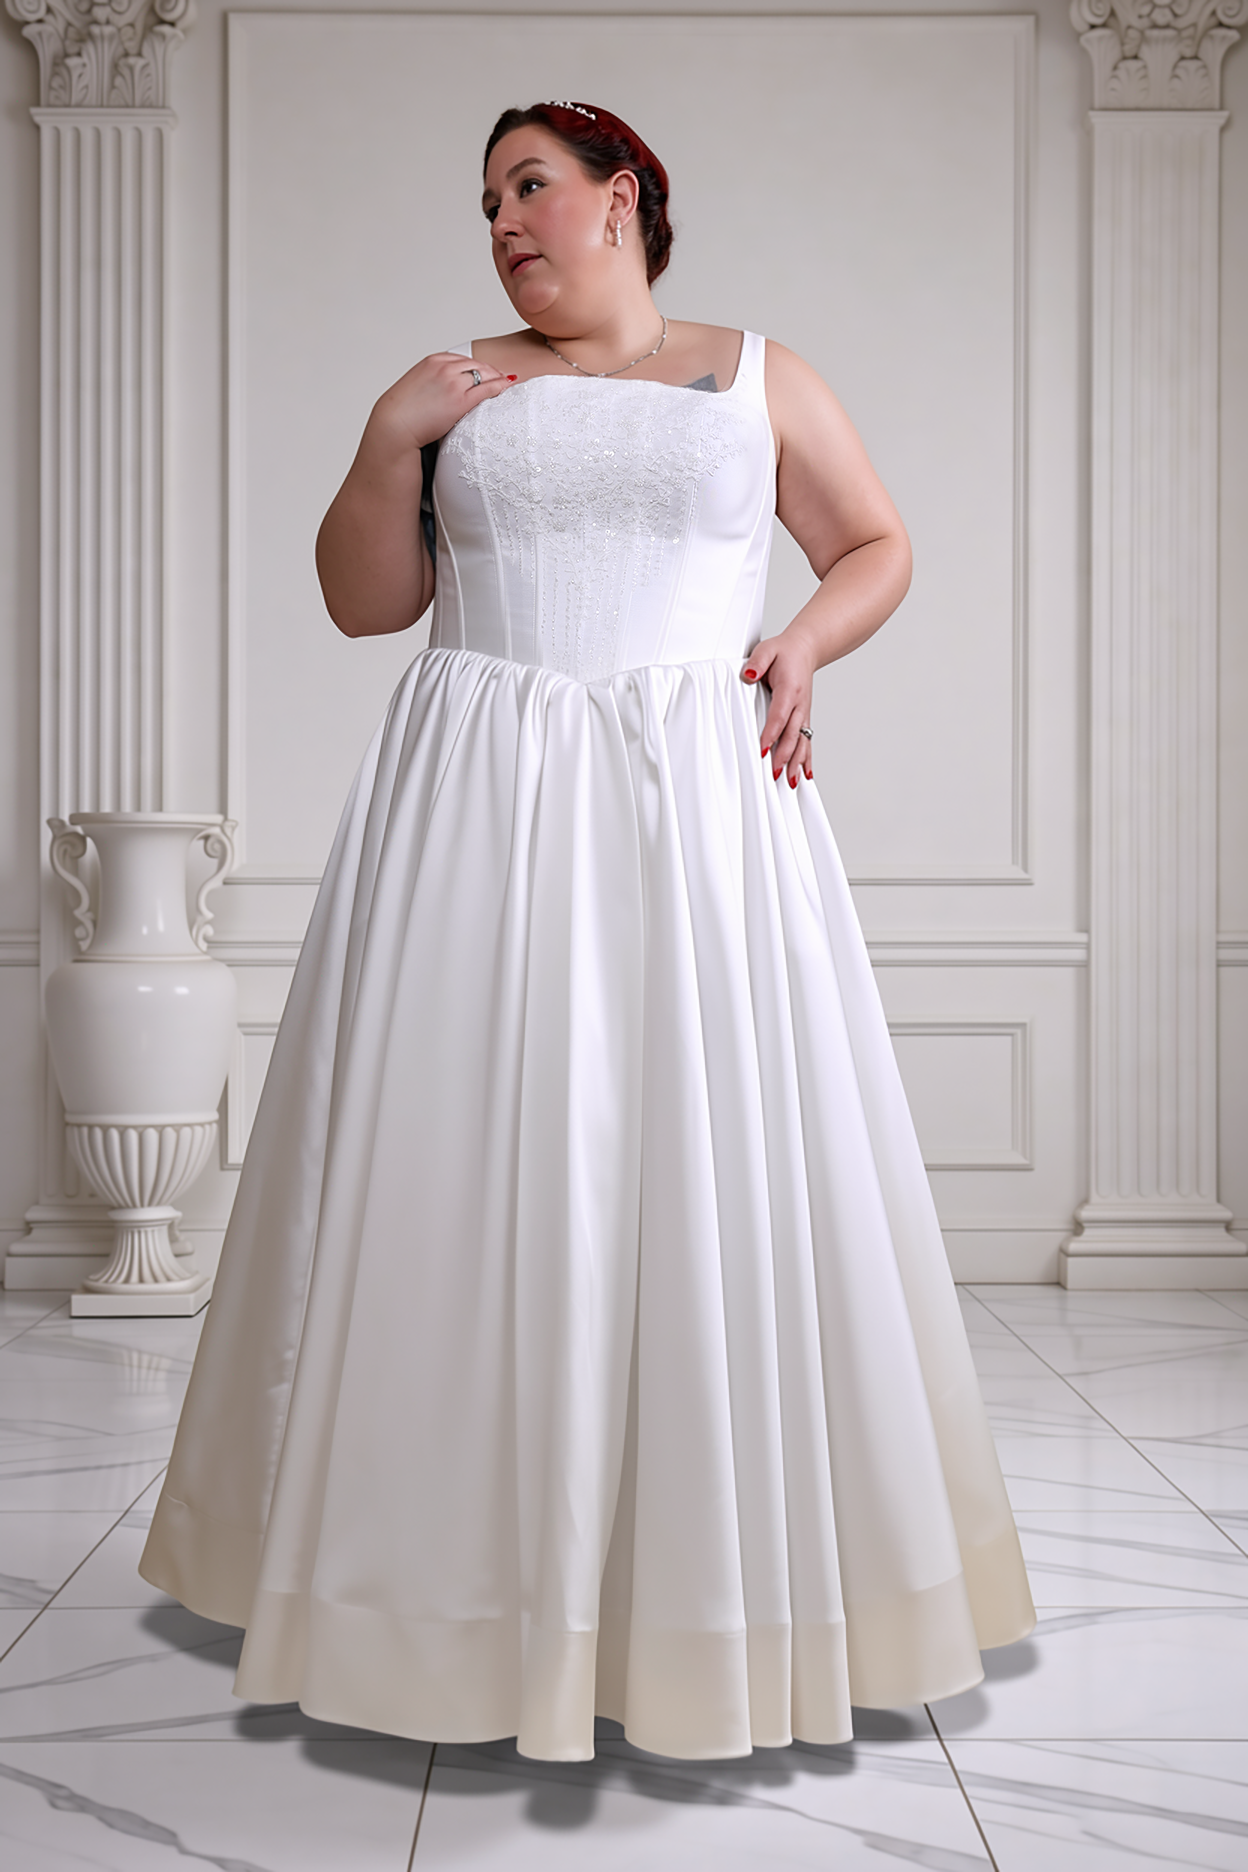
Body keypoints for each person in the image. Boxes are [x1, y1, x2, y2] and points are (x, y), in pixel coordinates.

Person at [141, 100, 1034, 1763]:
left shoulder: (762, 375)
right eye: (487, 201)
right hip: (478, 798)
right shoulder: (452, 384)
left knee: (704, 1160)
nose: (503, 223)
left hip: (697, 805)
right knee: (459, 1163)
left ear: (624, 199)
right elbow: (363, 601)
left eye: (531, 187)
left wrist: (802, 645)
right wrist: (386, 438)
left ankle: (709, 1597)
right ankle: (433, 1596)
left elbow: (877, 543)